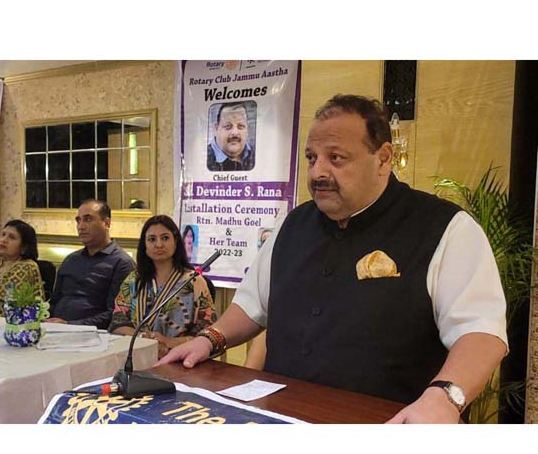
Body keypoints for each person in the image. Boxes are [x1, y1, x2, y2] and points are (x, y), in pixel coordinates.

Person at [160, 94, 508, 424]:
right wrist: (208, 340)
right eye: (312, 158)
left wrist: (445, 397)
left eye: (336, 158)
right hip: (281, 416)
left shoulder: (445, 228)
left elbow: (481, 333)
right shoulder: (291, 226)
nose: (317, 173)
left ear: (383, 158)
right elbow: (252, 307)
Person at [110, 215, 217, 358]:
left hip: (180, 358)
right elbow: (117, 323)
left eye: (165, 238)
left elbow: (207, 331)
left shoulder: (194, 281)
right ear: (144, 246)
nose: (159, 244)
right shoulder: (133, 280)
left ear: (176, 242)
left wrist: (169, 342)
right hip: (137, 356)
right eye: (152, 239)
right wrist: (143, 338)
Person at [47, 199, 135, 329]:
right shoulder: (71, 260)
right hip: (54, 328)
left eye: (88, 219)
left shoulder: (122, 263)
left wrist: (70, 325)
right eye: (78, 220)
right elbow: (54, 302)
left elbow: (116, 314)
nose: (81, 227)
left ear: (106, 223)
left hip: (94, 334)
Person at [206, 102, 255, 172]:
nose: (235, 133)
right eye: (227, 126)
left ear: (247, 129)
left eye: (240, 126)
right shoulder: (202, 157)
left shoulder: (258, 155)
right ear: (216, 129)